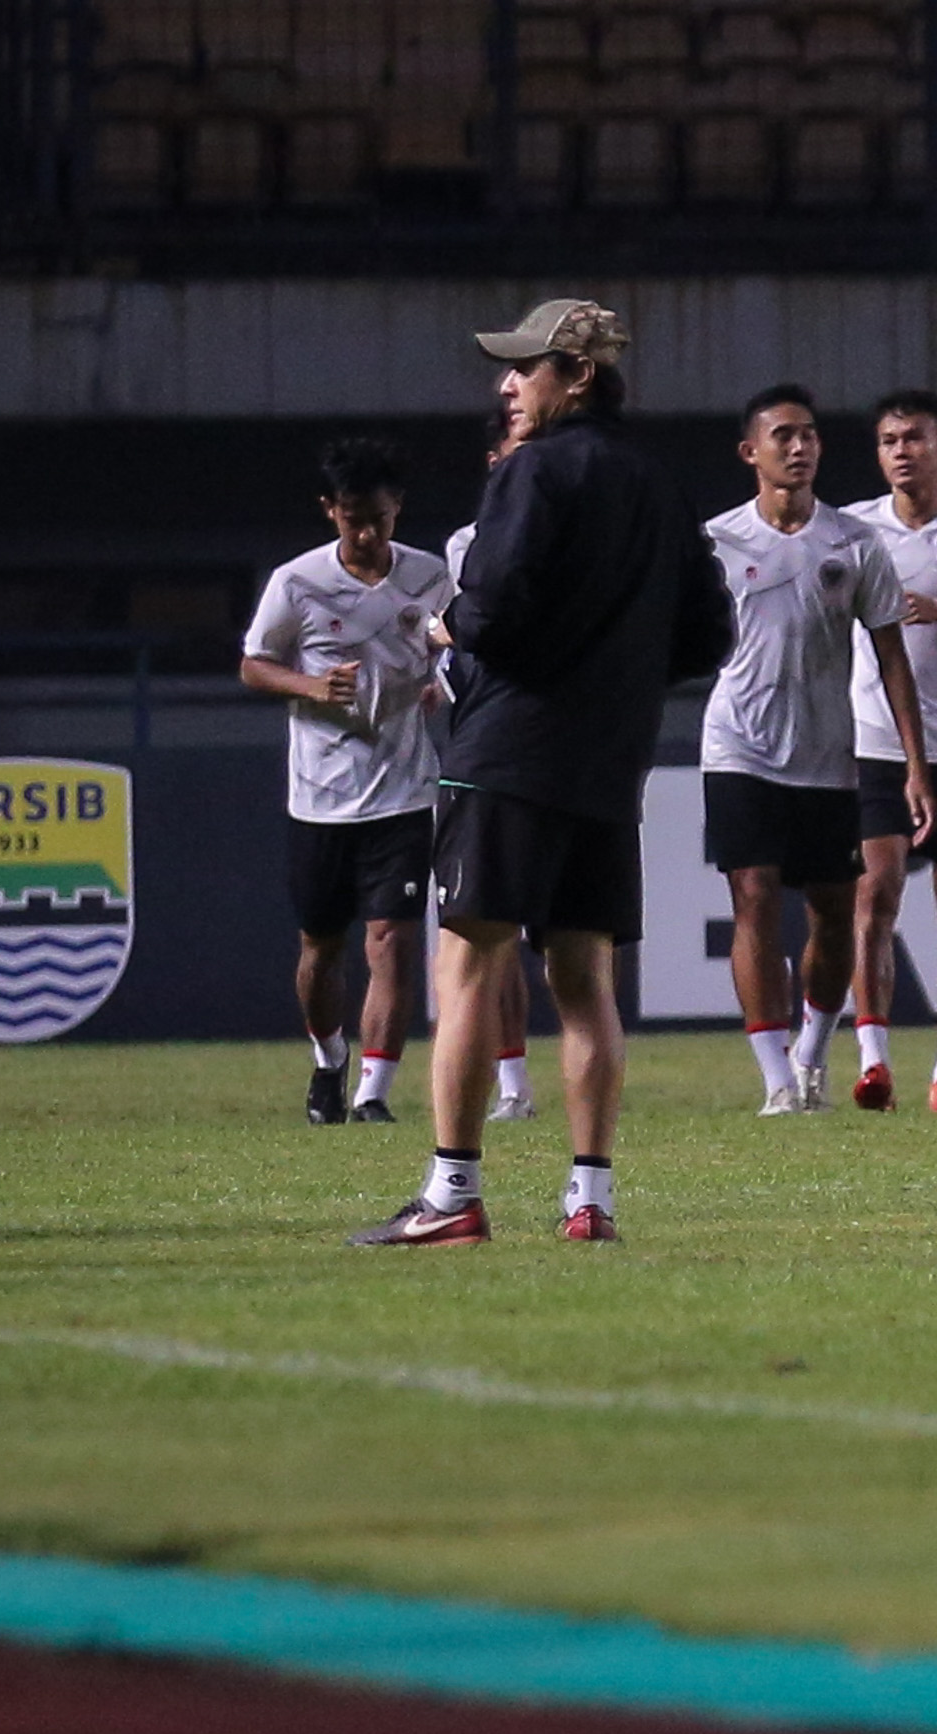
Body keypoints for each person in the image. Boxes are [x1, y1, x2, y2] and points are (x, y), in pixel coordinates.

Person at [353, 298, 730, 1244]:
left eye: (527, 368)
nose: (506, 385)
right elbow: (711, 631)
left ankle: (452, 1194)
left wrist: (455, 626)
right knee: (585, 978)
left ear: (579, 377)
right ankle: (590, 1201)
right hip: (610, 759)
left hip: (508, 752)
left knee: (469, 962)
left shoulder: (532, 471)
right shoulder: (658, 482)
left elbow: (500, 606)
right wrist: (619, 673)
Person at [702, 383, 937, 1117]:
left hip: (830, 754)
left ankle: (812, 1052)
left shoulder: (854, 543)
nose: (799, 447)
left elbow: (891, 654)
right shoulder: (717, 541)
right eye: (783, 436)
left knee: (836, 914)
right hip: (738, 745)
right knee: (754, 898)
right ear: (751, 452)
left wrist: (915, 764)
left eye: (808, 434)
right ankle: (775, 1077)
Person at [244, 437, 449, 1128]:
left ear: (399, 510)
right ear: (330, 509)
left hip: (404, 789)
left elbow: (455, 649)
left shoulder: (429, 577)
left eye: (381, 518)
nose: (366, 533)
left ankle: (373, 1094)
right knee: (320, 949)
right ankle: (330, 1060)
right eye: (352, 517)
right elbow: (253, 663)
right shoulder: (297, 582)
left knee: (390, 938)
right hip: (322, 797)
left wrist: (439, 687)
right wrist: (309, 683)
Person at [841, 389, 937, 1113]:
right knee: (874, 891)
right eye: (889, 440)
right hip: (874, 740)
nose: (902, 450)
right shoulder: (853, 530)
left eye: (915, 437)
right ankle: (872, 1059)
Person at [437, 425, 539, 1125]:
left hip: (546, 746)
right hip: (490, 743)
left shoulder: (576, 536)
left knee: (568, 949)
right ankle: (514, 1085)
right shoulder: (464, 544)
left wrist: (450, 629)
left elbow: (472, 626)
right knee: (487, 933)